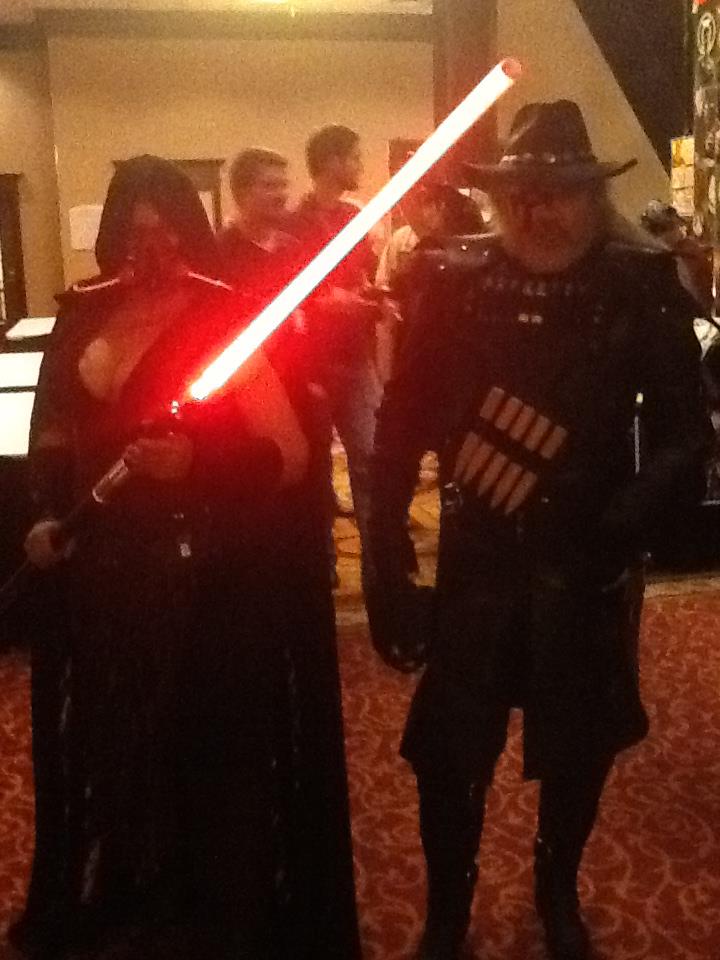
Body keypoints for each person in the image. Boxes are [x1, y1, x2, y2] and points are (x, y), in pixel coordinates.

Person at [367, 101, 709, 960]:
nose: (537, 211)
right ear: (496, 198)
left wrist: (619, 524)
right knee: (449, 755)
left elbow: (686, 435)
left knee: (578, 747)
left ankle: (557, 893)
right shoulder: (454, 280)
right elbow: (401, 422)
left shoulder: (638, 283)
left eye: (558, 192)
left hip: (588, 562)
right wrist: (385, 552)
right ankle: (448, 911)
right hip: (477, 556)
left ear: (592, 197)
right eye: (521, 193)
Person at [11, 155, 360, 960]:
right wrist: (44, 515)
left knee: (196, 749)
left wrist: (197, 465)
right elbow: (56, 436)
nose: (152, 248)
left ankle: (198, 913)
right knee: (113, 744)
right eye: (136, 231)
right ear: (112, 235)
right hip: (100, 577)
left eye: (167, 230)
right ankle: (126, 895)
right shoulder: (82, 313)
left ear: (190, 232)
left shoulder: (226, 319)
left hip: (199, 579)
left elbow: (290, 454)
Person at [293, 124, 382, 590]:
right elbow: (296, 294)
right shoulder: (296, 223)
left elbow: (360, 276)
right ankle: (321, 564)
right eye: (354, 157)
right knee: (317, 471)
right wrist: (335, 302)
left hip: (356, 354)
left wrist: (369, 297)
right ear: (331, 161)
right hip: (313, 361)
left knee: (371, 457)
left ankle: (379, 562)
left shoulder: (352, 216)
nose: (359, 166)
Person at [640, 199, 713, 313]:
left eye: (675, 226)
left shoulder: (689, 249)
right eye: (673, 227)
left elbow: (702, 288)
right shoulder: (649, 258)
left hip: (698, 311)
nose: (679, 231)